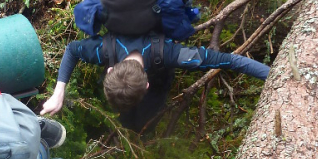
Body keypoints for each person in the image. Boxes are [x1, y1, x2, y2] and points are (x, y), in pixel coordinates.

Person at [39, 31, 270, 122]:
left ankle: (140, 123)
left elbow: (72, 49)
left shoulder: (103, 51)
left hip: (160, 71)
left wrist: (58, 91)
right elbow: (228, 60)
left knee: (147, 112)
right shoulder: (174, 55)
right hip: (158, 62)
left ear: (110, 69)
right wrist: (270, 75)